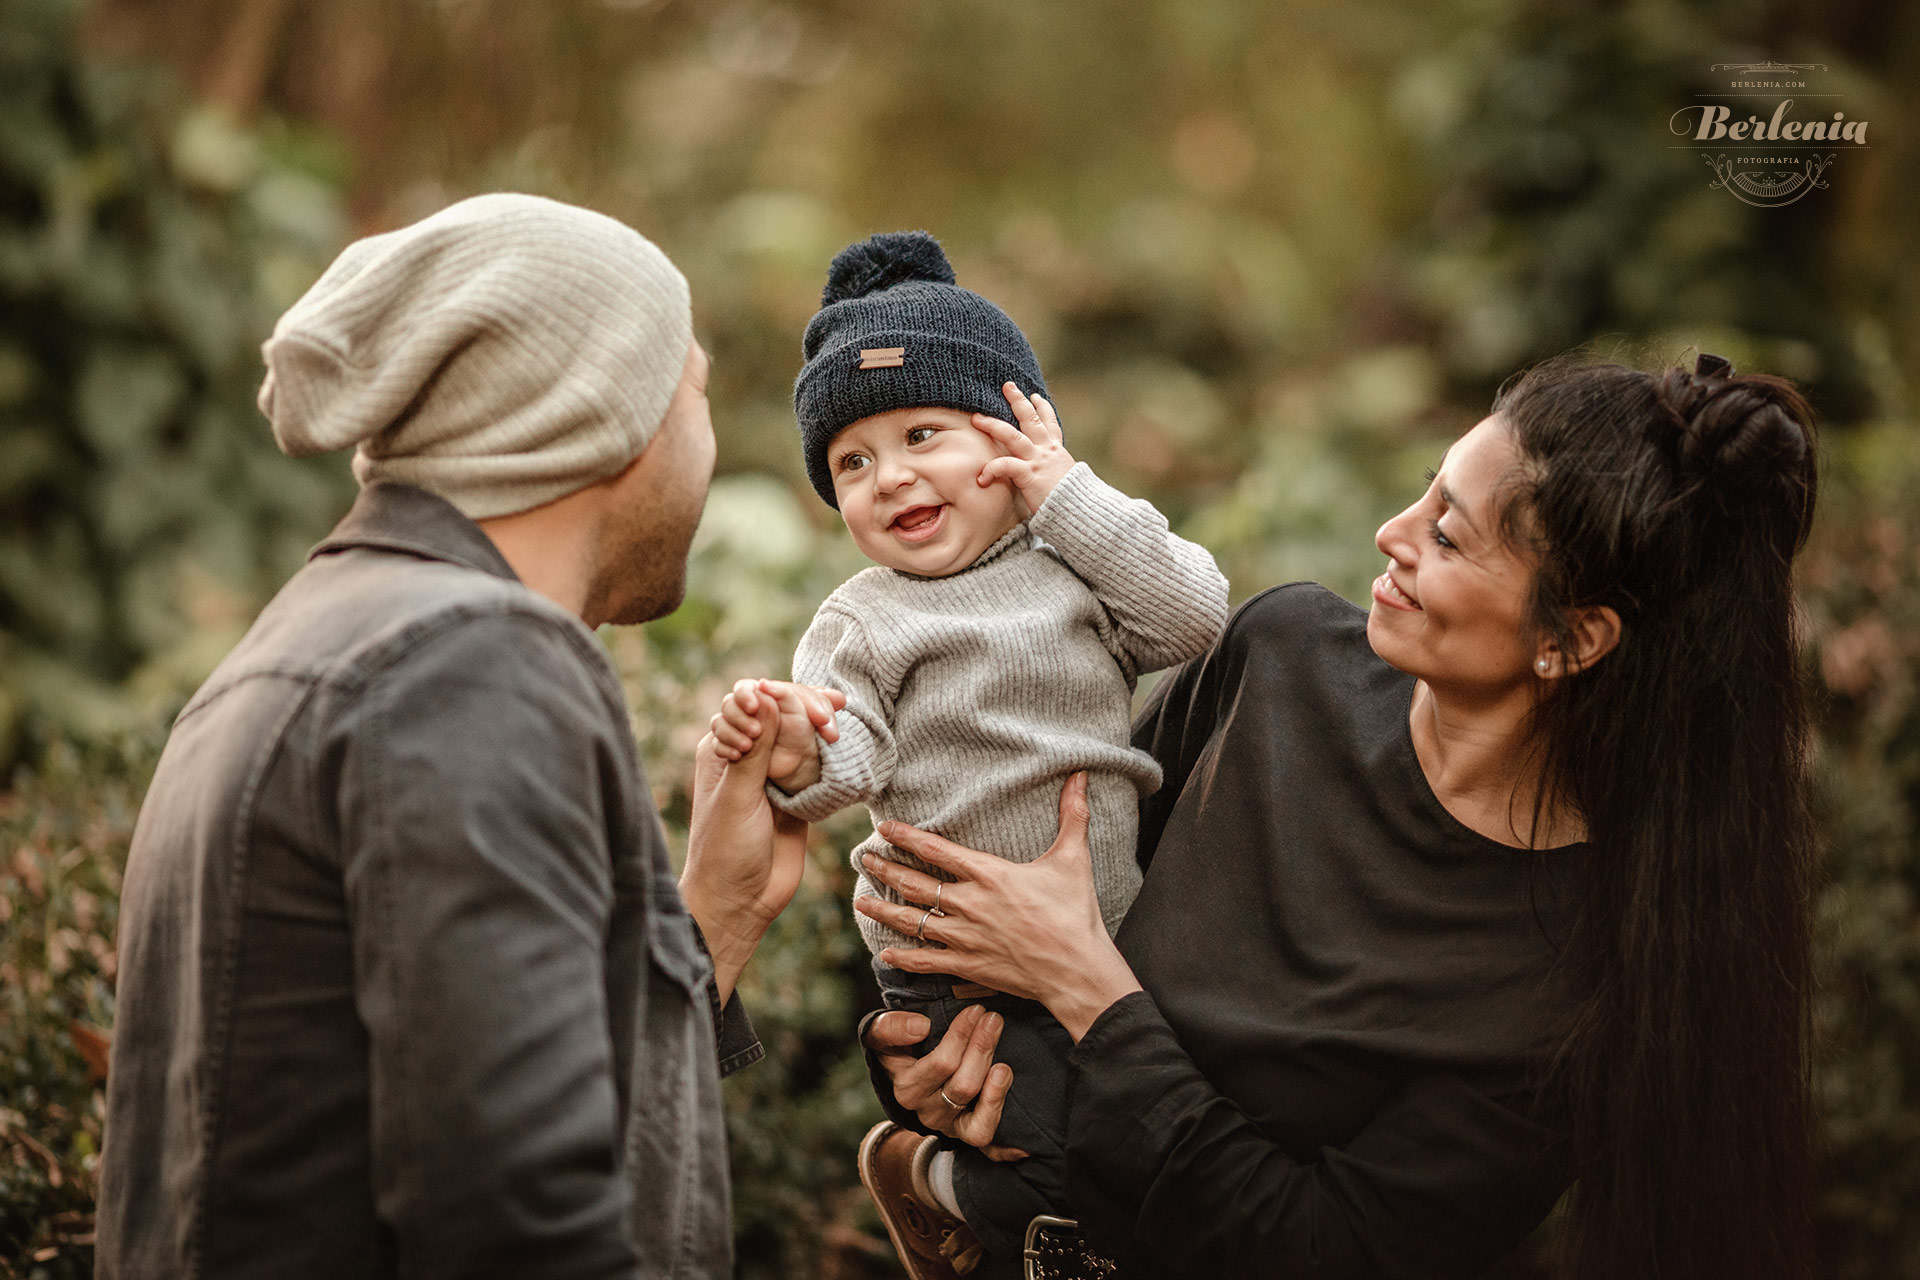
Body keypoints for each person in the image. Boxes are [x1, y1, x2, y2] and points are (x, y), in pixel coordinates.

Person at [852, 353, 1819, 1280]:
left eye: (1448, 536)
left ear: (1569, 639)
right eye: (1426, 491)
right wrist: (934, 1065)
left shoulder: (1580, 982)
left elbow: (1314, 1251)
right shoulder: (1283, 656)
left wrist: (1091, 995)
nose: (1393, 533)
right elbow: (1055, 887)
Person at [95, 193, 826, 1279]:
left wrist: (709, 917)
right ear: (608, 414)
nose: (707, 450)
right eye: (698, 395)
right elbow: (519, 1228)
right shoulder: (464, 665)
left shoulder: (331, 640)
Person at [703, 230, 1229, 1271]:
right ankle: (942, 1184)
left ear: (1015, 434)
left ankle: (966, 1191)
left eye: (923, 434)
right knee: (1062, 1158)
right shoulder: (865, 618)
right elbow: (847, 762)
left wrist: (1068, 492)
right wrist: (794, 741)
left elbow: (1196, 620)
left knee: (1157, 1139)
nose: (889, 477)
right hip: (959, 963)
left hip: (1115, 933)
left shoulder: (1078, 562)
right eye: (853, 462)